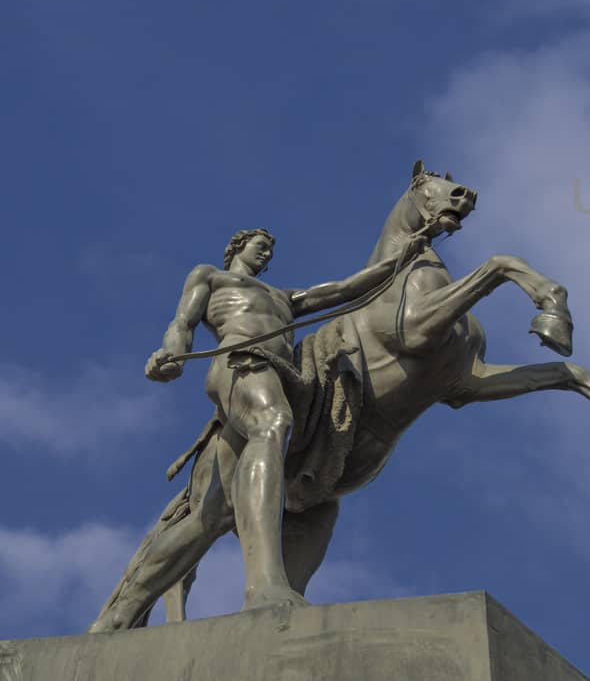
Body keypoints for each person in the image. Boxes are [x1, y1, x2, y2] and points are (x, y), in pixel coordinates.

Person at [145, 227, 423, 609]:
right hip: (239, 361)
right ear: (238, 247)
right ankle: (262, 583)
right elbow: (182, 322)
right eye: (260, 248)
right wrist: (171, 353)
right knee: (274, 424)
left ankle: (124, 608)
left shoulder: (284, 297)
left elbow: (344, 289)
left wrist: (405, 255)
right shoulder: (211, 276)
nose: (265, 256)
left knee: (210, 516)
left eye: (269, 253)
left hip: (280, 374)